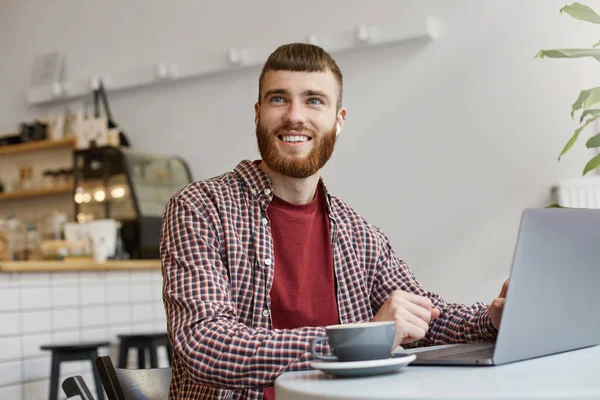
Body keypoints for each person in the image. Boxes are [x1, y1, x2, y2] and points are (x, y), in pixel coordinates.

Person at [160, 43, 509, 400]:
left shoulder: (357, 232)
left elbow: (425, 321)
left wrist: (494, 319)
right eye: (279, 99)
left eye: (314, 100)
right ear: (258, 113)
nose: (295, 116)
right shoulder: (200, 208)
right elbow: (206, 343)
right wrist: (363, 339)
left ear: (338, 120)